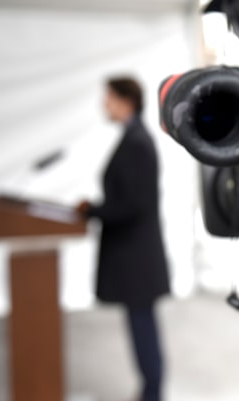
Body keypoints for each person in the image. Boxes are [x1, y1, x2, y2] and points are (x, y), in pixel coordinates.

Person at [76, 77, 170, 401]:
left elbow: (134, 204)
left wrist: (94, 210)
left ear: (126, 101)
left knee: (143, 328)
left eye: (109, 98)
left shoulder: (137, 143)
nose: (105, 105)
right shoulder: (133, 138)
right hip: (135, 255)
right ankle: (150, 391)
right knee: (141, 326)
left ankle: (152, 394)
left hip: (137, 258)